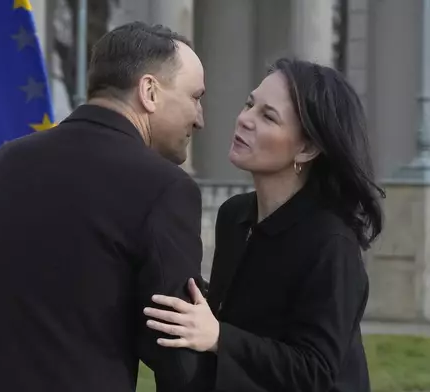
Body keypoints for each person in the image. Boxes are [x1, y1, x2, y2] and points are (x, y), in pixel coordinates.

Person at [0, 21, 210, 392]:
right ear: (149, 91)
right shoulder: (165, 188)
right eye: (195, 97)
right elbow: (174, 346)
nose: (200, 118)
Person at [143, 57, 384, 392]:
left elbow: (314, 371)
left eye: (268, 116)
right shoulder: (235, 216)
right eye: (249, 104)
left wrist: (218, 337)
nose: (244, 120)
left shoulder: (331, 242)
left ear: (307, 148)